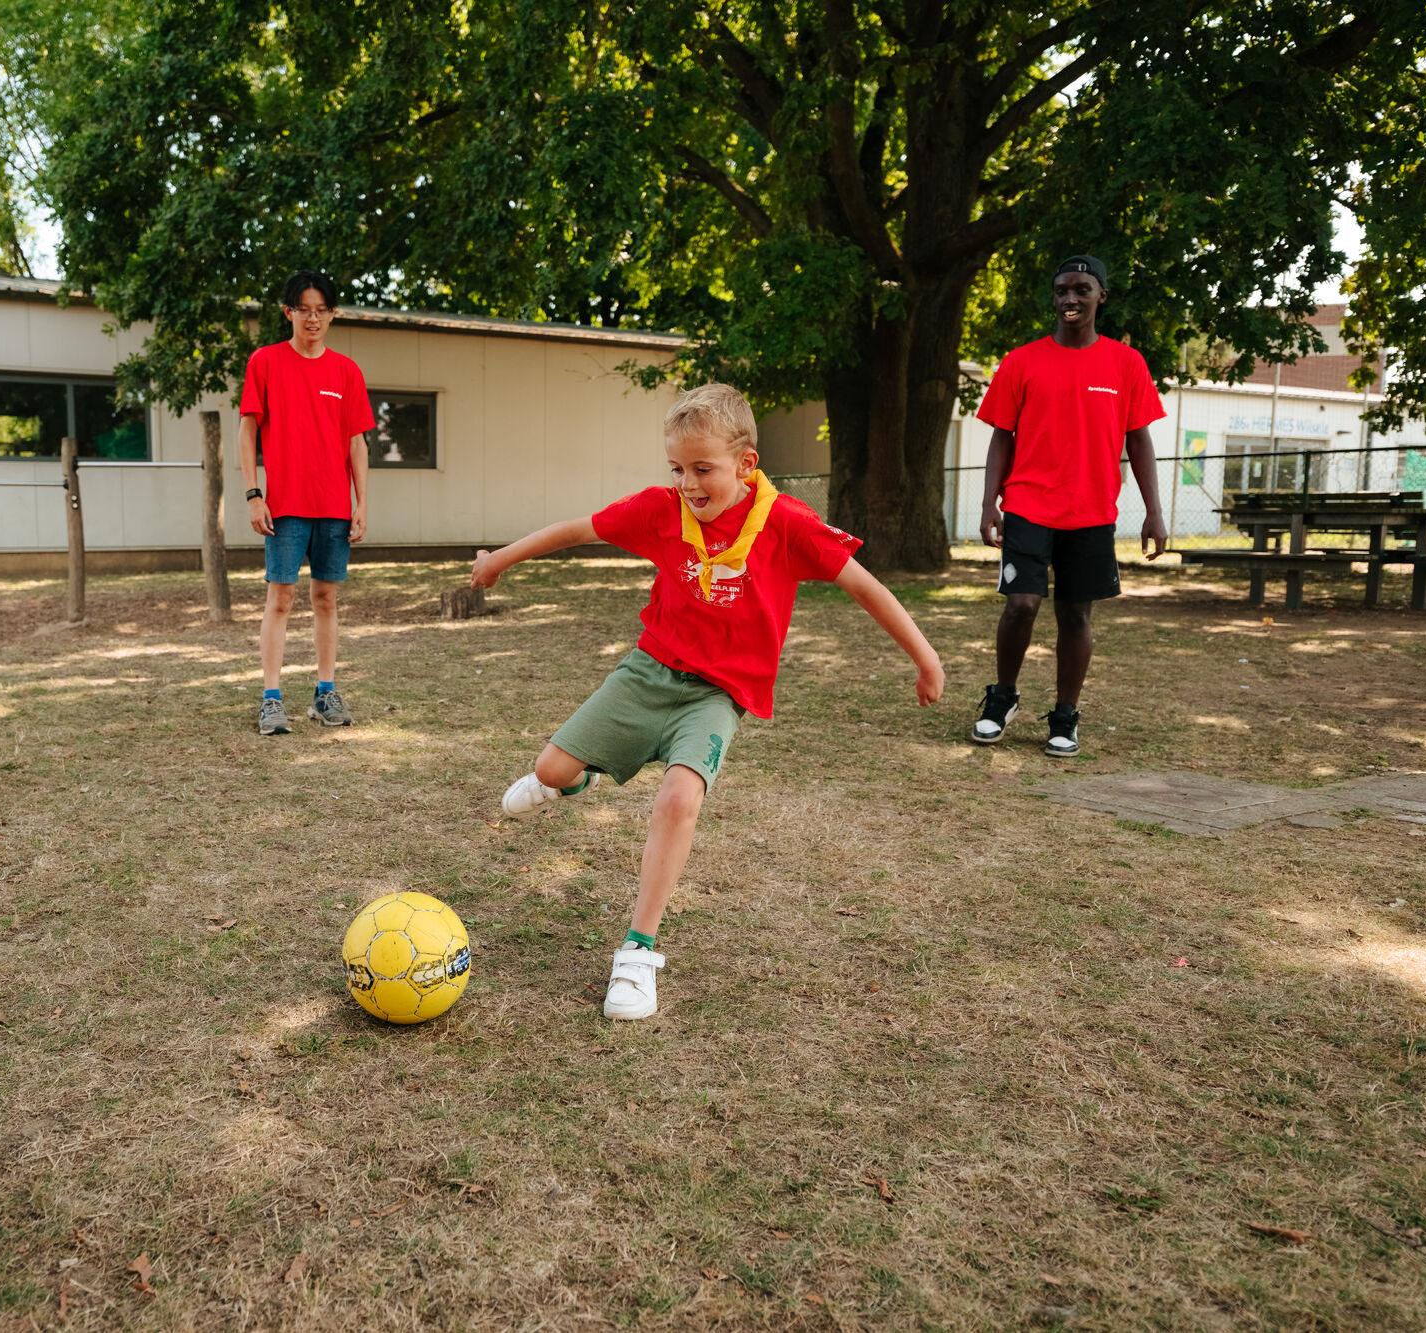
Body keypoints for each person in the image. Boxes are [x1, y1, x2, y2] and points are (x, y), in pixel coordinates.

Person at [471, 383, 944, 1019]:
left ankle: (638, 953)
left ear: (746, 464)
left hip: (719, 693)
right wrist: (499, 560)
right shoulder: (661, 510)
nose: (688, 484)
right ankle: (576, 780)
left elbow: (865, 587)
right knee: (552, 770)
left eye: (703, 468)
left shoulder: (787, 523)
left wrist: (925, 657)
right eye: (677, 468)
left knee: (678, 798)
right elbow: (577, 529)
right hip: (648, 672)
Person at [970, 255, 1168, 757]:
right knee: (1021, 606)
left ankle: (1065, 716)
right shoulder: (1021, 362)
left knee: (1076, 616)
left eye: (1081, 289)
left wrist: (1154, 510)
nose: (1070, 299)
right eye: (1061, 290)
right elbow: (1001, 436)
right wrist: (990, 502)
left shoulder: (1126, 363)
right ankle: (1002, 698)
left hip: (1092, 512)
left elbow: (1139, 440)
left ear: (1102, 296)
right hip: (1028, 506)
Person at [239, 271, 374, 735]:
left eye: (321, 310)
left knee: (326, 599)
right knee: (280, 599)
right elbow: (247, 431)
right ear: (288, 312)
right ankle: (271, 698)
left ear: (332, 314)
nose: (312, 318)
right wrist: (254, 494)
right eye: (304, 310)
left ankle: (325, 693)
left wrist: (361, 502)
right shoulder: (265, 362)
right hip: (284, 506)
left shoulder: (347, 371)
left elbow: (357, 443)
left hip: (334, 506)